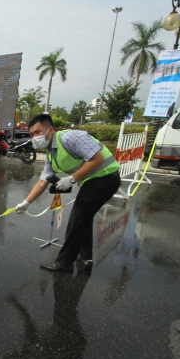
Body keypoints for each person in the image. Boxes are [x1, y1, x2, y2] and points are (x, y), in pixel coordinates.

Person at [15, 114, 121, 273]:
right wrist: (26, 202)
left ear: (50, 129)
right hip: (93, 181)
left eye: (38, 132)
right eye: (31, 134)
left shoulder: (70, 137)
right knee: (84, 218)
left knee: (77, 219)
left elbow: (97, 158)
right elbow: (43, 181)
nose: (35, 137)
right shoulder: (51, 153)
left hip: (105, 178)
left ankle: (64, 263)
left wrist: (72, 179)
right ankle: (85, 258)